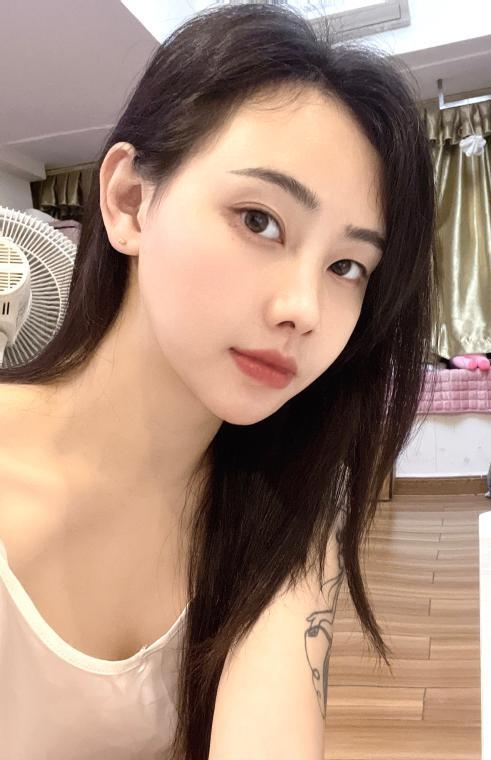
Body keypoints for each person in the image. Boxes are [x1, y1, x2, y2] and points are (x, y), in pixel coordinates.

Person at [0, 3, 438, 759]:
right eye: (259, 220)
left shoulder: (290, 497)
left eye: (346, 266)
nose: (304, 309)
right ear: (130, 201)